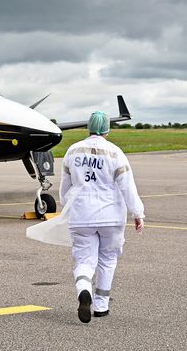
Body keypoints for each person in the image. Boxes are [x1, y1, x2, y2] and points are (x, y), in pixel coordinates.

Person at [60, 111, 145, 323]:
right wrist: (137, 212)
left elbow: (65, 188)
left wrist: (66, 204)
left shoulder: (73, 151)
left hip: (81, 216)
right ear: (108, 129)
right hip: (111, 216)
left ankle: (83, 291)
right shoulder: (115, 153)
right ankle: (101, 306)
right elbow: (128, 186)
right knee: (108, 259)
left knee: (84, 260)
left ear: (88, 127)